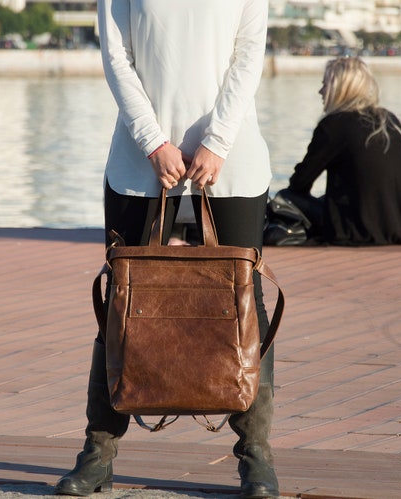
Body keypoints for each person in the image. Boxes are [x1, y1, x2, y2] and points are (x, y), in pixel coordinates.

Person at [55, 1, 279, 498]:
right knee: (122, 306)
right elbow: (118, 58)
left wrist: (218, 141)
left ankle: (256, 460)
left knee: (247, 307)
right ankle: (98, 454)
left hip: (231, 160)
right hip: (139, 164)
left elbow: (248, 54)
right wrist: (153, 141)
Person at [269, 56, 401, 246]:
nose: (321, 91)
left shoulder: (334, 125)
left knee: (285, 198)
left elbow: (299, 183)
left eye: (325, 85)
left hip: (356, 228)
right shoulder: (390, 120)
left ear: (340, 89)